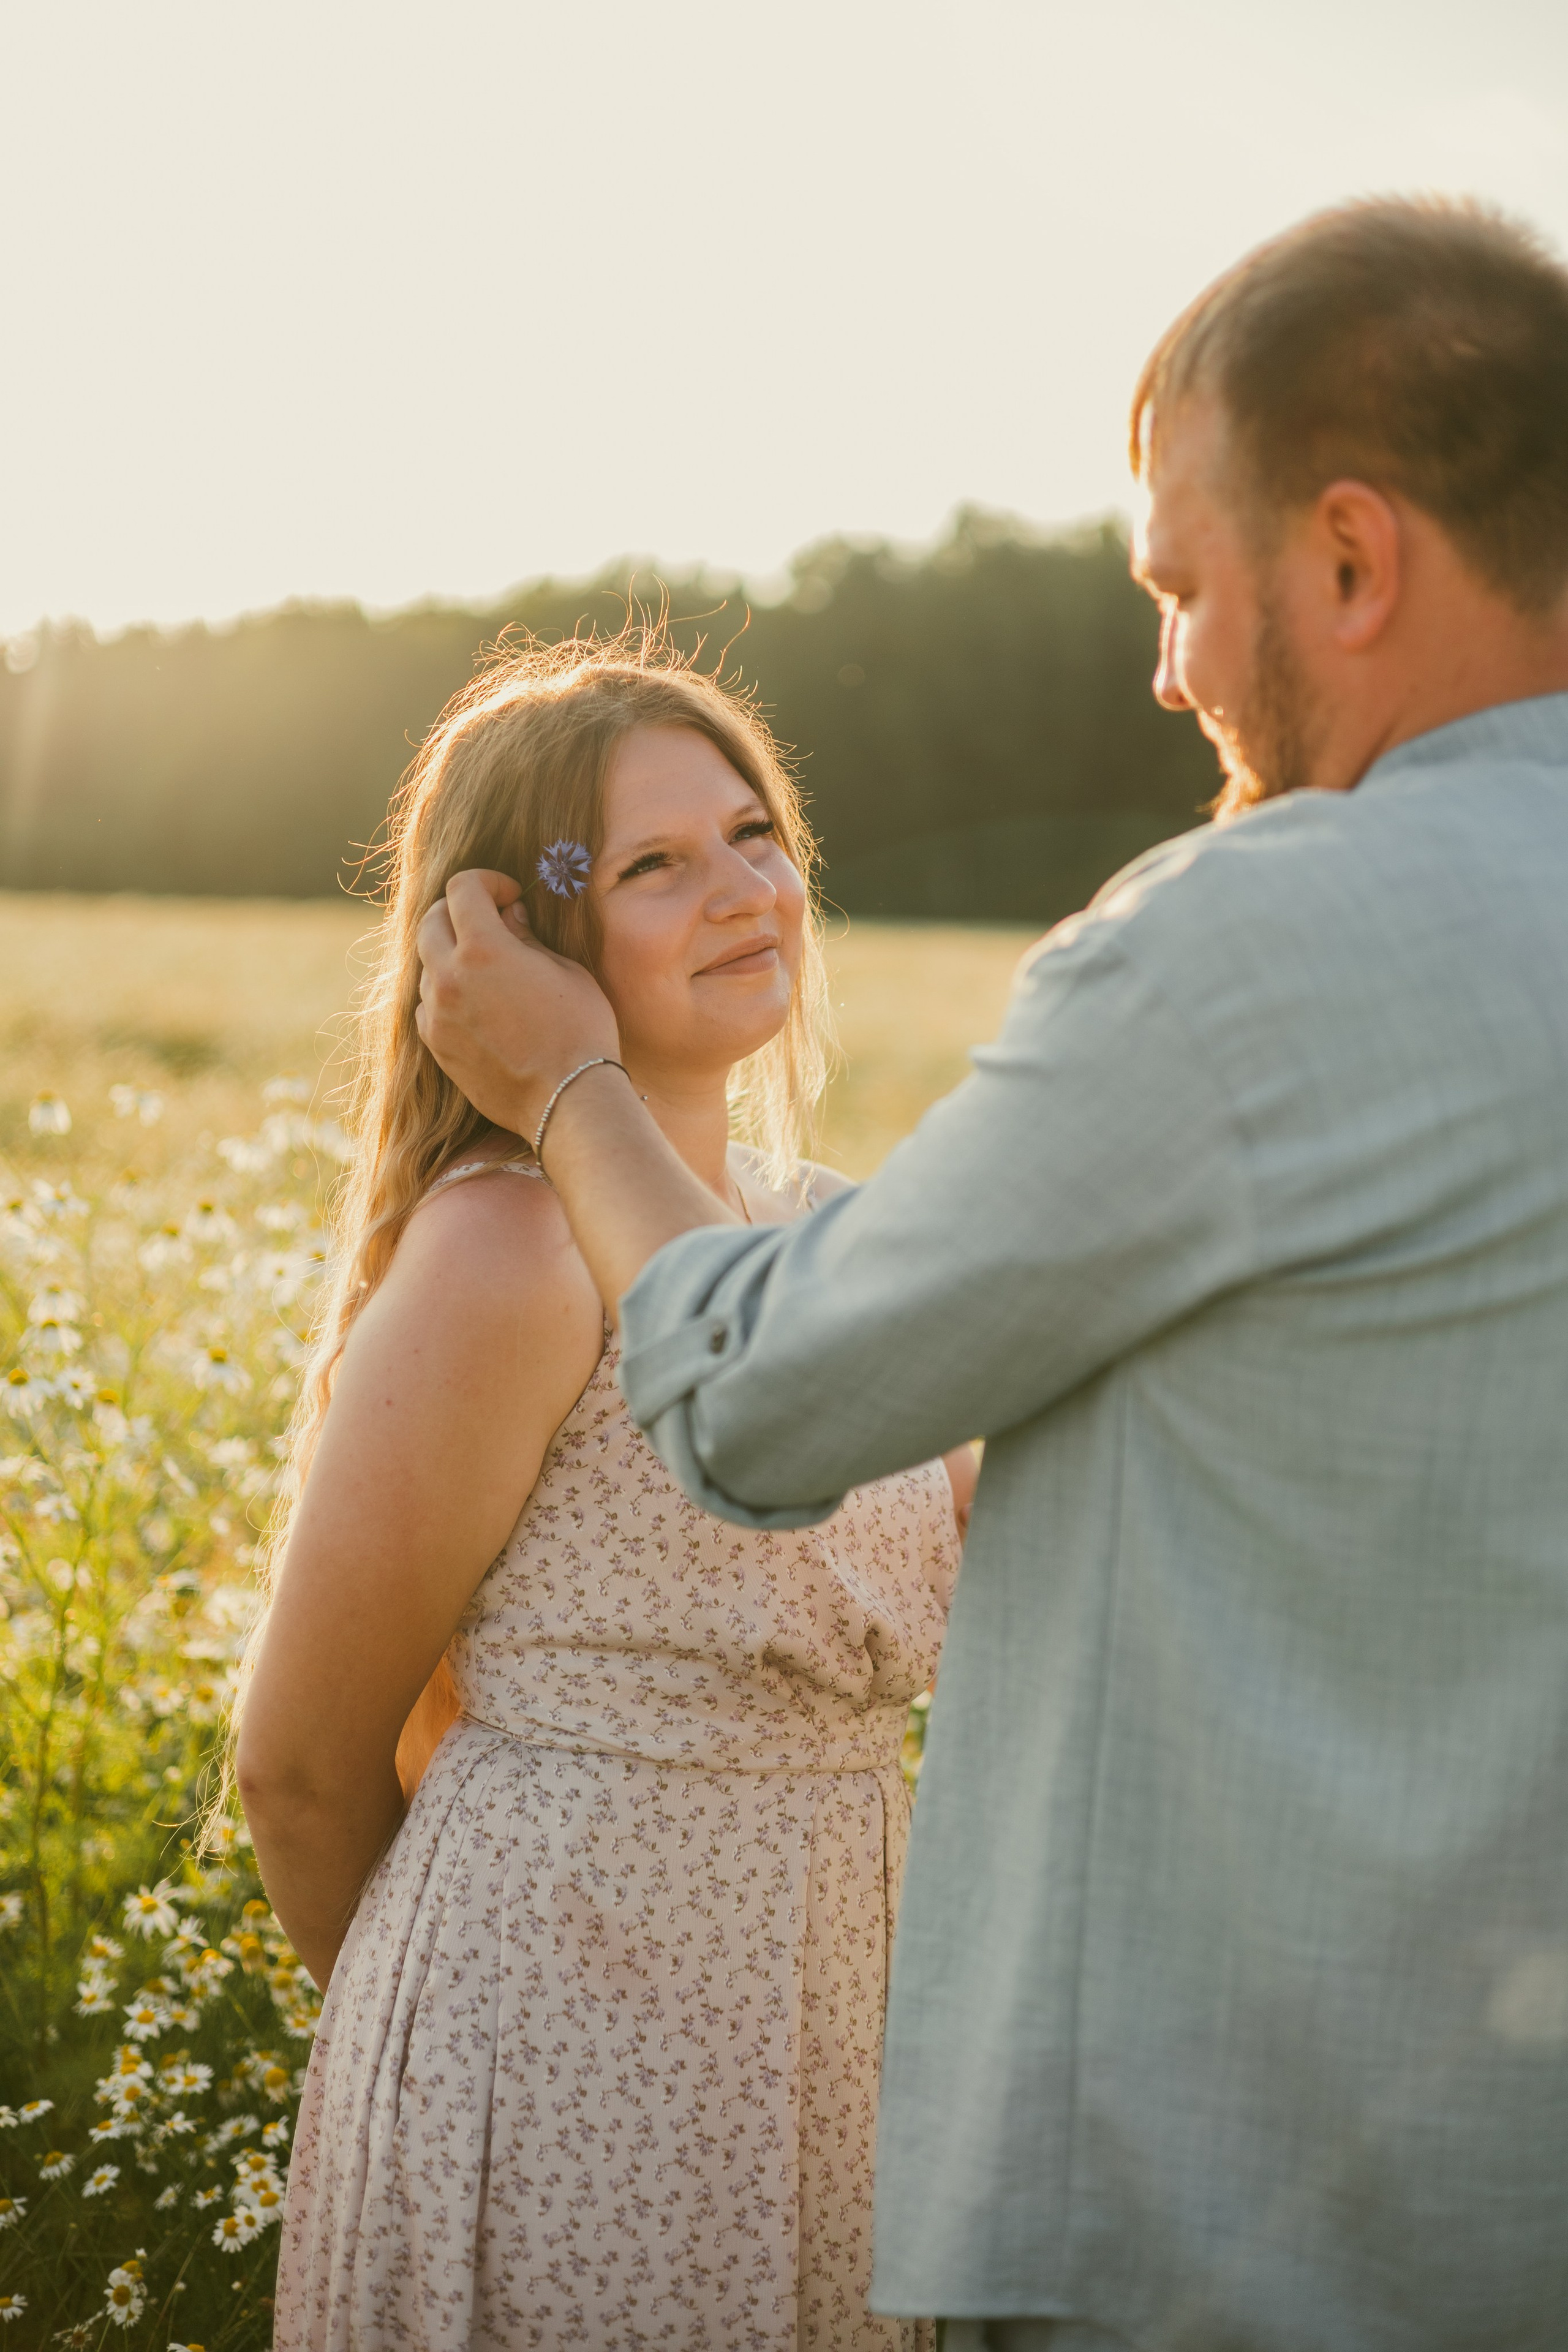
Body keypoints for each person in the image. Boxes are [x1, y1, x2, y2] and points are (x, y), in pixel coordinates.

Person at [413, 198, 1568, 2351]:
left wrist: (571, 1091)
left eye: (1181, 588)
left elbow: (761, 1406)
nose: (1171, 671)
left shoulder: (1250, 943)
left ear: (1348, 559)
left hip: (1237, 2215)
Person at [236, 639, 974, 2351]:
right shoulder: (510, 1251)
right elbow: (298, 1762)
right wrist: (464, 2070)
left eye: (752, 835)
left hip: (835, 2057)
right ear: (520, 939)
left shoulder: (846, 1235)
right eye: (655, 864)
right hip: (553, 2078)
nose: (742, 893)